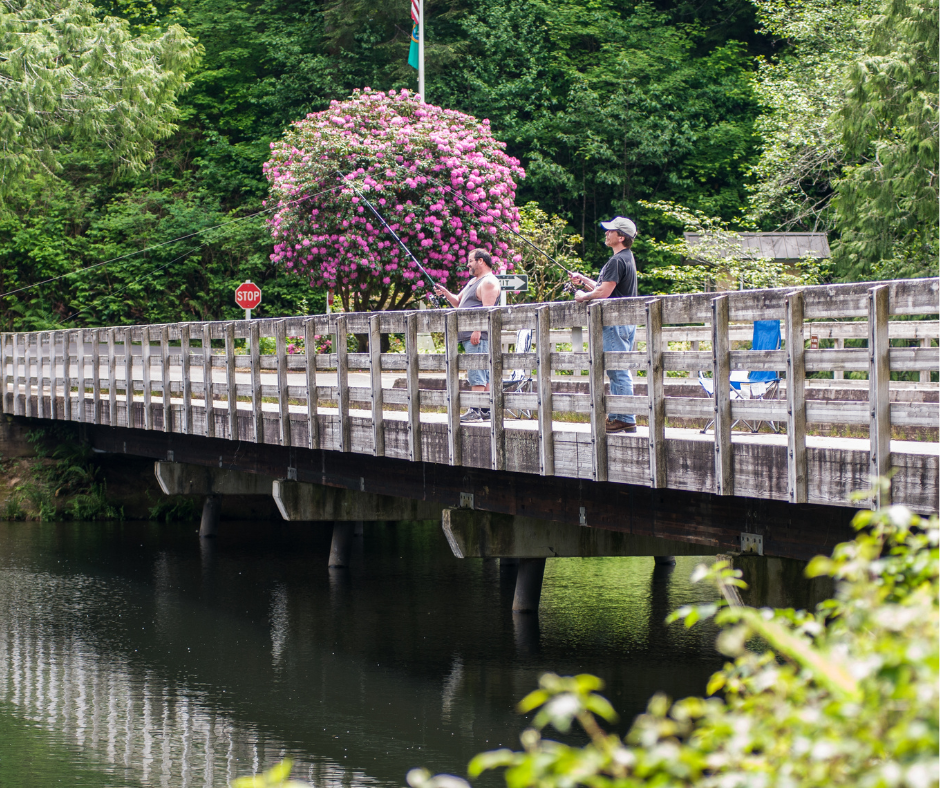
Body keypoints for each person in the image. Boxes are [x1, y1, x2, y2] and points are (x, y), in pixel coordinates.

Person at [569, 216, 638, 434]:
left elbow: (604, 293)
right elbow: (607, 288)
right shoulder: (626, 258)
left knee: (618, 370)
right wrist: (586, 281)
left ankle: (625, 417)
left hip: (615, 322)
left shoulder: (617, 260)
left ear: (621, 237)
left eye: (610, 231)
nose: (606, 234)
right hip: (625, 321)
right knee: (617, 368)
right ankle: (619, 417)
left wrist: (582, 296)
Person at [433, 248, 502, 422]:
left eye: (470, 260)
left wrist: (477, 330)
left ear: (481, 261)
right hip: (469, 335)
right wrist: (446, 293)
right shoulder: (474, 281)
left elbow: (487, 310)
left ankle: (475, 410)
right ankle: (485, 410)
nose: (468, 264)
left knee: (476, 372)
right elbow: (458, 302)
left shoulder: (488, 282)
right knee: (482, 373)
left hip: (478, 336)